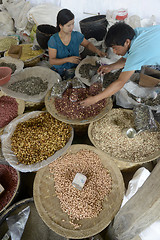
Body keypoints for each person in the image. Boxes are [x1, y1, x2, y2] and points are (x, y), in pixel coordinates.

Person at [81, 22, 160, 106]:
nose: (114, 52)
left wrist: (94, 99)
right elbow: (126, 59)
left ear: (127, 42)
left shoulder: (138, 52)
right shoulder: (135, 34)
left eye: (115, 48)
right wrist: (110, 67)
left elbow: (120, 82)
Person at [48, 8, 106, 80]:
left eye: (73, 24)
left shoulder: (76, 35)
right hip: (59, 69)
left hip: (75, 67)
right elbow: (52, 60)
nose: (72, 27)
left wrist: (98, 51)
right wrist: (68, 59)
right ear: (60, 25)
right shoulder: (54, 40)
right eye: (68, 25)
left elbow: (87, 44)